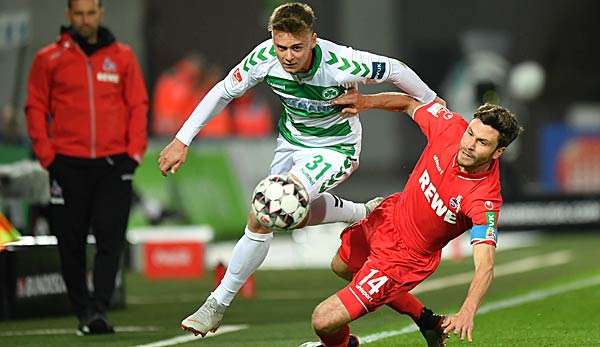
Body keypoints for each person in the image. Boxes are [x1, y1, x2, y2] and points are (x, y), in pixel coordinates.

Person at [158, 2, 443, 336]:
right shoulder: (263, 57)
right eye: (282, 47)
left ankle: (216, 304)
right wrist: (182, 140)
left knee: (266, 210)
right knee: (282, 215)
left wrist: (432, 102)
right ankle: (360, 212)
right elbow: (223, 91)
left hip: (336, 148)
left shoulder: (341, 63)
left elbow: (395, 69)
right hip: (291, 142)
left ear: (313, 40)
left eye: (297, 47)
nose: (288, 56)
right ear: (272, 40)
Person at [303, 90, 522, 346]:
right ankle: (427, 321)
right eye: (470, 134)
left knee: (323, 319)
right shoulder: (450, 128)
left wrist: (468, 311)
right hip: (387, 216)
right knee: (341, 266)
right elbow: (408, 103)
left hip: (402, 260)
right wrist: (366, 102)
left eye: (482, 143)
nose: (469, 145)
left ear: (498, 152)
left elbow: (485, 265)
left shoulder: (483, 199)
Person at [25, 0, 148, 335]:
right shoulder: (48, 58)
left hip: (113, 164)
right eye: (78, 14)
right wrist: (47, 156)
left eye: (90, 13)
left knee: (111, 239)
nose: (84, 20)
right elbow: (35, 106)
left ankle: (99, 308)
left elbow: (137, 104)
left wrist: (134, 152)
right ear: (68, 16)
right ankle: (82, 309)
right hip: (66, 164)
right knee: (70, 241)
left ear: (100, 14)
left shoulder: (122, 56)